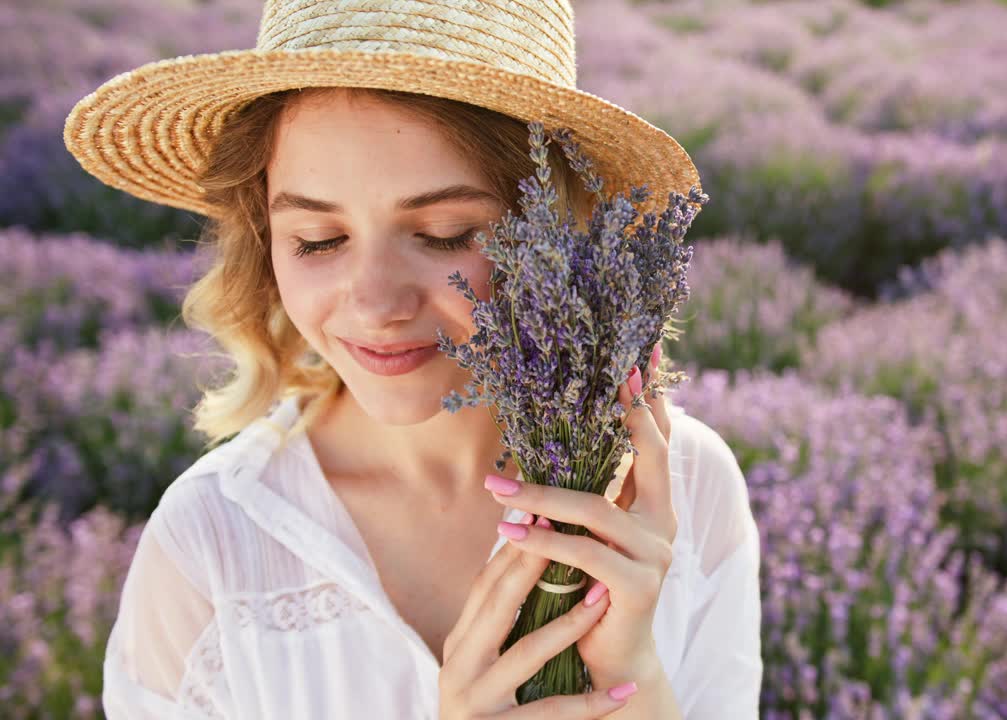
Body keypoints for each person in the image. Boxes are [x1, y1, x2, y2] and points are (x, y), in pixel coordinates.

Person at [65, 1, 762, 718]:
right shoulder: (211, 546)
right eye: (316, 240)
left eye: (443, 233)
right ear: (265, 241)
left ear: (555, 232)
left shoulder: (684, 491)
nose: (374, 305)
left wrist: (636, 690)